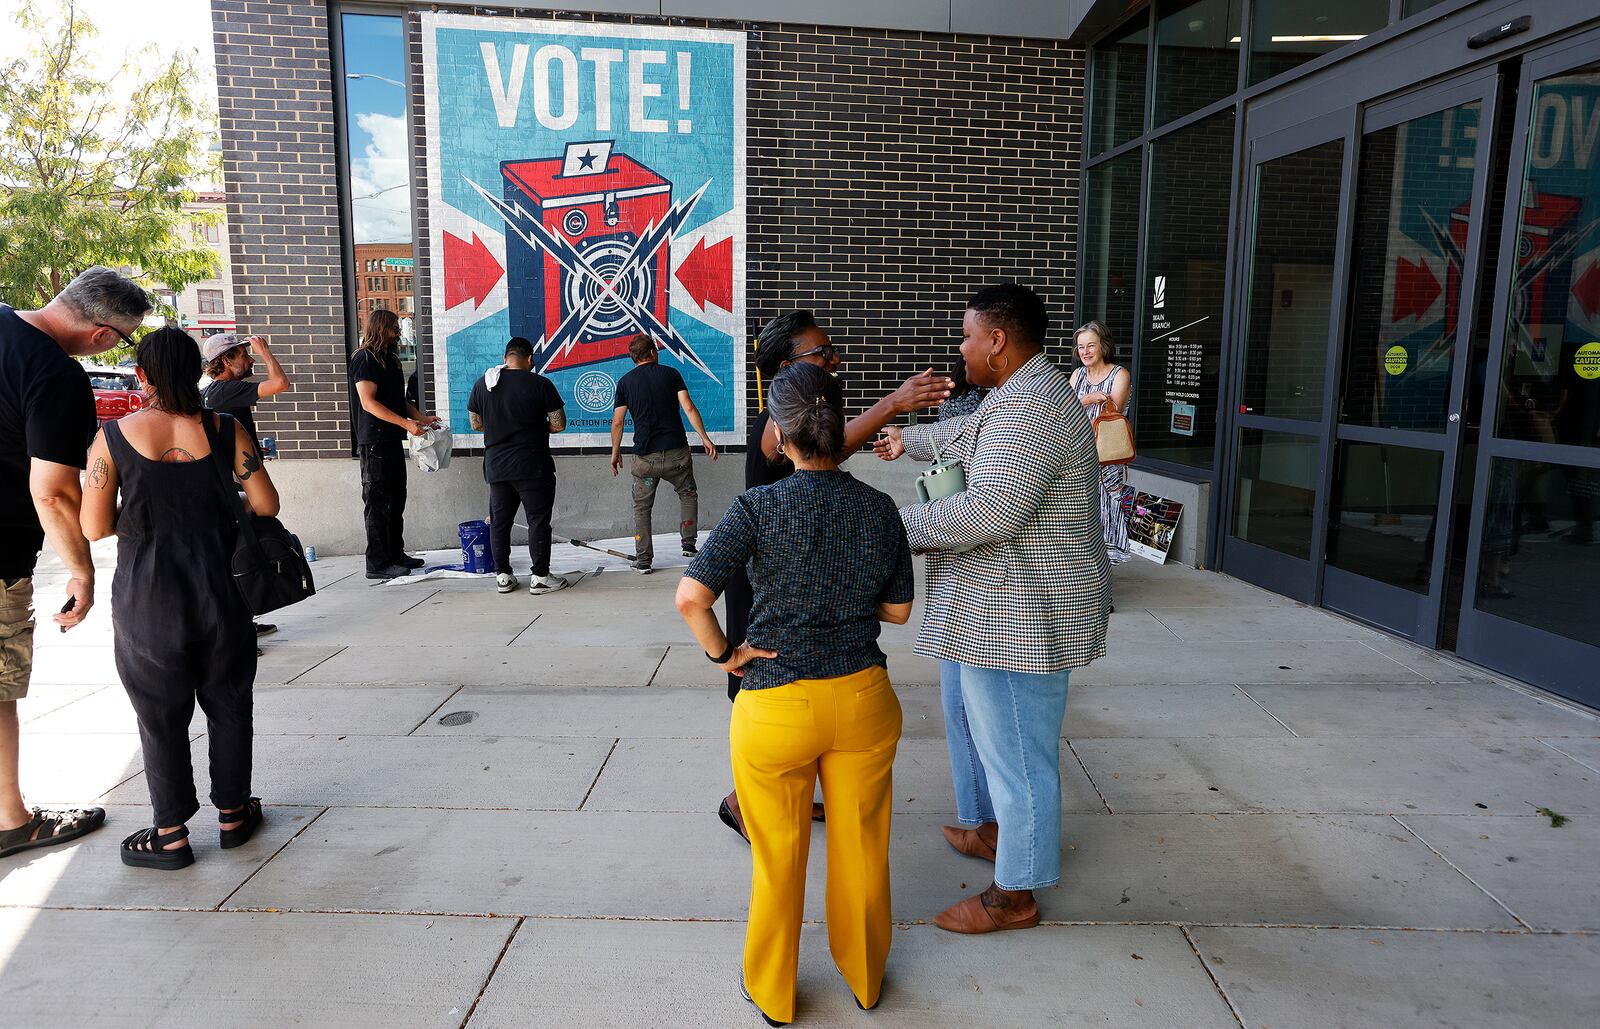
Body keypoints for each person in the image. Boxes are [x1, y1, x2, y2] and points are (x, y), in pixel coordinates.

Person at [676, 362, 914, 1025]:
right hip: (862, 698)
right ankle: (866, 977)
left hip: (775, 700)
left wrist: (728, 654)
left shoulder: (757, 506)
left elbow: (691, 597)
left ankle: (775, 993)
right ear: (839, 424)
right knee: (864, 846)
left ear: (776, 434)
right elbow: (897, 613)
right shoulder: (878, 507)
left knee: (778, 857)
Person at [876, 283, 1110, 934]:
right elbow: (967, 432)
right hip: (992, 603)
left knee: (1017, 752)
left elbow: (991, 509)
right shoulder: (1016, 395)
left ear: (997, 342)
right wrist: (910, 439)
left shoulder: (1032, 407)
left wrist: (885, 524)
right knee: (968, 716)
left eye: (966, 335)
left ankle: (1016, 892)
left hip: (1022, 613)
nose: (961, 346)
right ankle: (989, 828)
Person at [718, 311, 952, 842]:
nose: (834, 361)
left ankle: (767, 794)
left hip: (794, 580)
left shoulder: (795, 434)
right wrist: (892, 404)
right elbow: (824, 447)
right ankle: (746, 802)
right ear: (785, 367)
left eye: (831, 351)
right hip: (767, 583)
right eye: (821, 354)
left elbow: (824, 447)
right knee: (756, 680)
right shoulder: (770, 430)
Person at [80, 327, 280, 869]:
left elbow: (94, 527)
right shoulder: (226, 427)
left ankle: (170, 834)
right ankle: (234, 815)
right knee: (230, 702)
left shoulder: (114, 437)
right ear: (197, 369)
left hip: (149, 602)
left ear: (141, 375)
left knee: (159, 715)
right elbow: (266, 504)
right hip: (221, 592)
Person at [0, 267, 149, 861]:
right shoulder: (54, 374)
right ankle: (11, 820)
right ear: (103, 336)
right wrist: (83, 573)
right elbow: (54, 492)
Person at [201, 332, 292, 640]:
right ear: (225, 361)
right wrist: (266, 352)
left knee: (238, 550)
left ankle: (242, 622)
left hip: (228, 484)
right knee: (235, 553)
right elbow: (280, 384)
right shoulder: (226, 390)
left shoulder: (216, 392)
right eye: (244, 355)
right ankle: (233, 632)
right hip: (231, 487)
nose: (250, 359)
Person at [609, 334, 718, 573]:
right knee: (688, 494)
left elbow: (618, 422)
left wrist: (615, 452)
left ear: (633, 358)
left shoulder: (626, 382)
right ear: (653, 352)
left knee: (642, 508)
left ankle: (644, 560)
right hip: (677, 454)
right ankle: (689, 544)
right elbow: (688, 407)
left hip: (645, 459)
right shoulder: (671, 375)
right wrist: (704, 438)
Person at [468, 337, 568, 595]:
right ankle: (540, 577)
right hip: (533, 465)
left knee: (500, 522)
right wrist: (536, 426)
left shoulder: (483, 385)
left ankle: (503, 576)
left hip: (497, 466)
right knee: (537, 521)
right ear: (530, 359)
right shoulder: (541, 384)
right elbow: (559, 424)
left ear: (505, 358)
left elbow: (475, 423)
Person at [352, 309, 440, 580]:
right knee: (378, 502)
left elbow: (396, 400)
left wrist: (420, 418)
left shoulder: (390, 359)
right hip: (374, 441)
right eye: (394, 328)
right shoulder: (364, 358)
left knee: (396, 498)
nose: (399, 334)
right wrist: (406, 424)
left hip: (390, 439)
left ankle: (395, 553)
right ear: (381, 328)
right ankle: (377, 563)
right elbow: (369, 402)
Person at [1071, 320, 1133, 565]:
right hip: (1078, 455)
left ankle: (1104, 579)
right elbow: (1063, 411)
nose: (1085, 352)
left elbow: (1114, 412)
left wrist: (1093, 400)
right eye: (1081, 347)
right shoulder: (1077, 375)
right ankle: (1083, 571)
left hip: (1107, 457)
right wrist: (1086, 400)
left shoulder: (1120, 374)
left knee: (1106, 513)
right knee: (1079, 514)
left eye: (1091, 346)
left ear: (1104, 346)